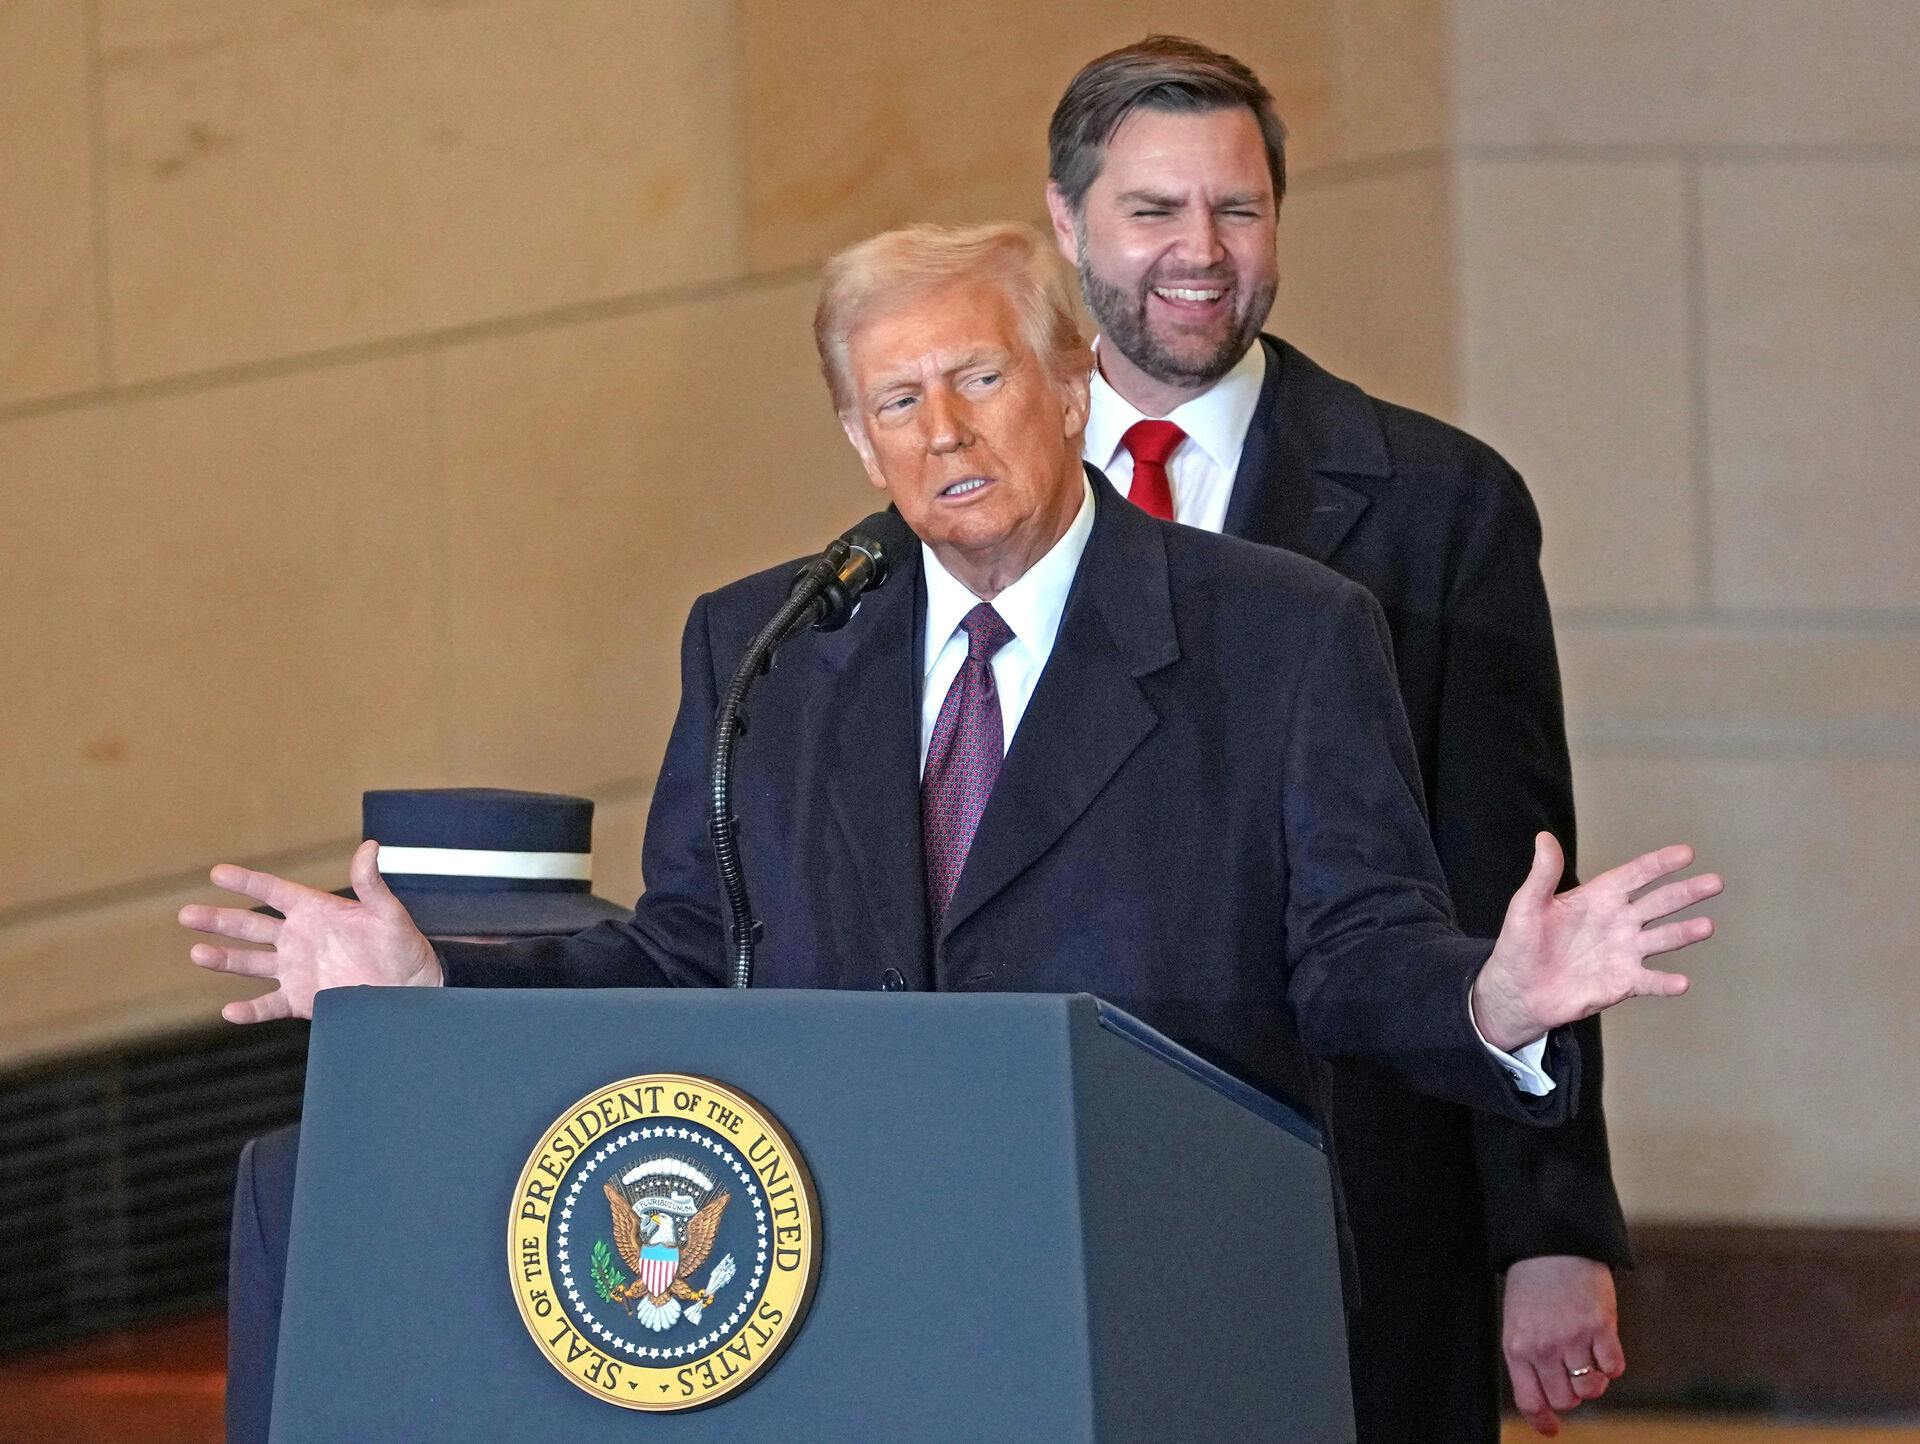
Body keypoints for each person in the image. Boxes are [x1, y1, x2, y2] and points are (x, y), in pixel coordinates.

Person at [185, 226, 1718, 1425]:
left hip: (1158, 1306)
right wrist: (434, 996)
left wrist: (1493, 998)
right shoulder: (771, 644)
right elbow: (685, 953)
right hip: (842, 1312)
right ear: (857, 441)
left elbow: (1352, 953)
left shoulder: (1279, 634)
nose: (943, 431)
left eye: (979, 379)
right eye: (897, 401)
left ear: (1069, 390)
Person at [1042, 35, 1629, 1440]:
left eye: (1237, 210)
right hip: (1057, 1188)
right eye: (1153, 211)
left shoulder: (1438, 504)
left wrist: (1547, 1227)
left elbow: (1513, 879)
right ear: (1065, 221)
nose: (1201, 252)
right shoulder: (985, 489)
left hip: (1356, 1195)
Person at [223, 788, 630, 1444]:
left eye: (508, 967)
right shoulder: (290, 1174)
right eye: (434, 960)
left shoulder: (643, 1170)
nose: (468, 1006)